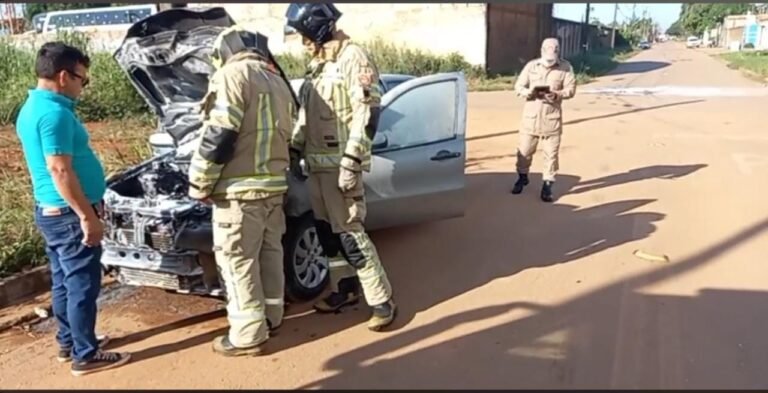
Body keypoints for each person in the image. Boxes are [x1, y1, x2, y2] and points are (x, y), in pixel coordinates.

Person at [15, 42, 131, 376]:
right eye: (83, 79)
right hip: (69, 216)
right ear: (64, 76)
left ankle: (71, 341)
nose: (84, 86)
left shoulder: (33, 107)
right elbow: (60, 170)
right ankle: (86, 354)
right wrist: (87, 216)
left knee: (64, 281)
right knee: (82, 283)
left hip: (51, 211)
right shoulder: (54, 114)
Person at [285, 2, 397, 331]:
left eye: (304, 34)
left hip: (340, 168)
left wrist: (352, 161)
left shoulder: (354, 58)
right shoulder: (318, 65)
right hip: (317, 170)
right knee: (326, 235)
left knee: (350, 234)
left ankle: (382, 301)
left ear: (318, 27)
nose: (302, 41)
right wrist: (294, 146)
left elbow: (368, 114)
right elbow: (306, 116)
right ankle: (344, 290)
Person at [187, 26, 296, 356]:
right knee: (270, 254)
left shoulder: (232, 75)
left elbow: (219, 134)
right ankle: (271, 317)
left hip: (238, 193)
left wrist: (200, 182)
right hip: (273, 187)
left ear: (226, 50)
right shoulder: (278, 81)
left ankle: (247, 336)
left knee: (238, 262)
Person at [511, 37, 577, 202]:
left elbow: (571, 89)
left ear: (558, 52)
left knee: (551, 155)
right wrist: (529, 92)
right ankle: (522, 177)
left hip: (551, 120)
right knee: (524, 152)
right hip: (530, 119)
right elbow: (518, 86)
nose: (550, 61)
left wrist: (557, 94)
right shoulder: (531, 66)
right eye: (548, 57)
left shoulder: (566, 67)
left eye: (553, 56)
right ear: (542, 51)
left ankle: (547, 185)